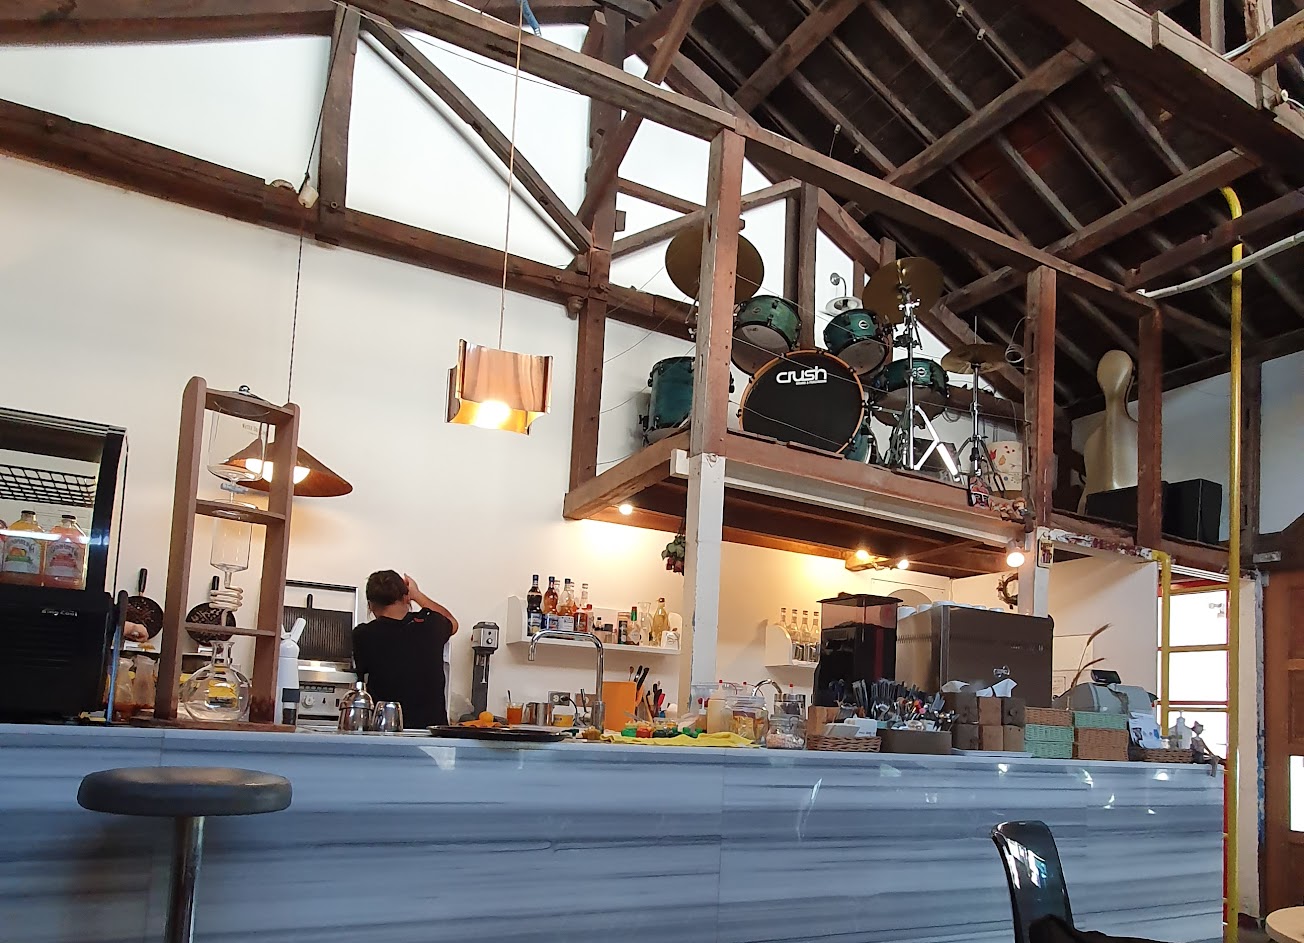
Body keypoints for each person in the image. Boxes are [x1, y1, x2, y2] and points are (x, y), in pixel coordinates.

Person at [352, 570, 458, 729]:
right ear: (405, 598)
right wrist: (417, 594)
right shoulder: (431, 624)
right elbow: (452, 622)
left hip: (386, 729)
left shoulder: (362, 635)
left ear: (370, 605)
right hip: (432, 733)